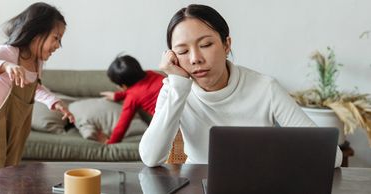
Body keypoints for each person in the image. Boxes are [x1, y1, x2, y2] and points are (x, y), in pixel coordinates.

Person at [139, 4, 343, 167]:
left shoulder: (265, 88)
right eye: (182, 52)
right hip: (197, 184)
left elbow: (332, 156)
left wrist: (274, 160)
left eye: (206, 45)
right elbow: (150, 158)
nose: (195, 59)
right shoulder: (175, 89)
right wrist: (178, 86)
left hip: (258, 183)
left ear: (227, 44)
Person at [0, 2, 75, 175]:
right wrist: (4, 66)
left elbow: (35, 88)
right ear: (36, 34)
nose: (58, 45)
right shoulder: (9, 53)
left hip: (18, 129)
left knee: (9, 173)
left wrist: (54, 102)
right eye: (56, 38)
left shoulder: (37, 62)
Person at [100, 55, 164, 144]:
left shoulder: (132, 98)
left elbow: (122, 125)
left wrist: (111, 142)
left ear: (123, 85)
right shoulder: (151, 73)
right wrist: (117, 96)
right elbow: (142, 89)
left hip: (167, 123)